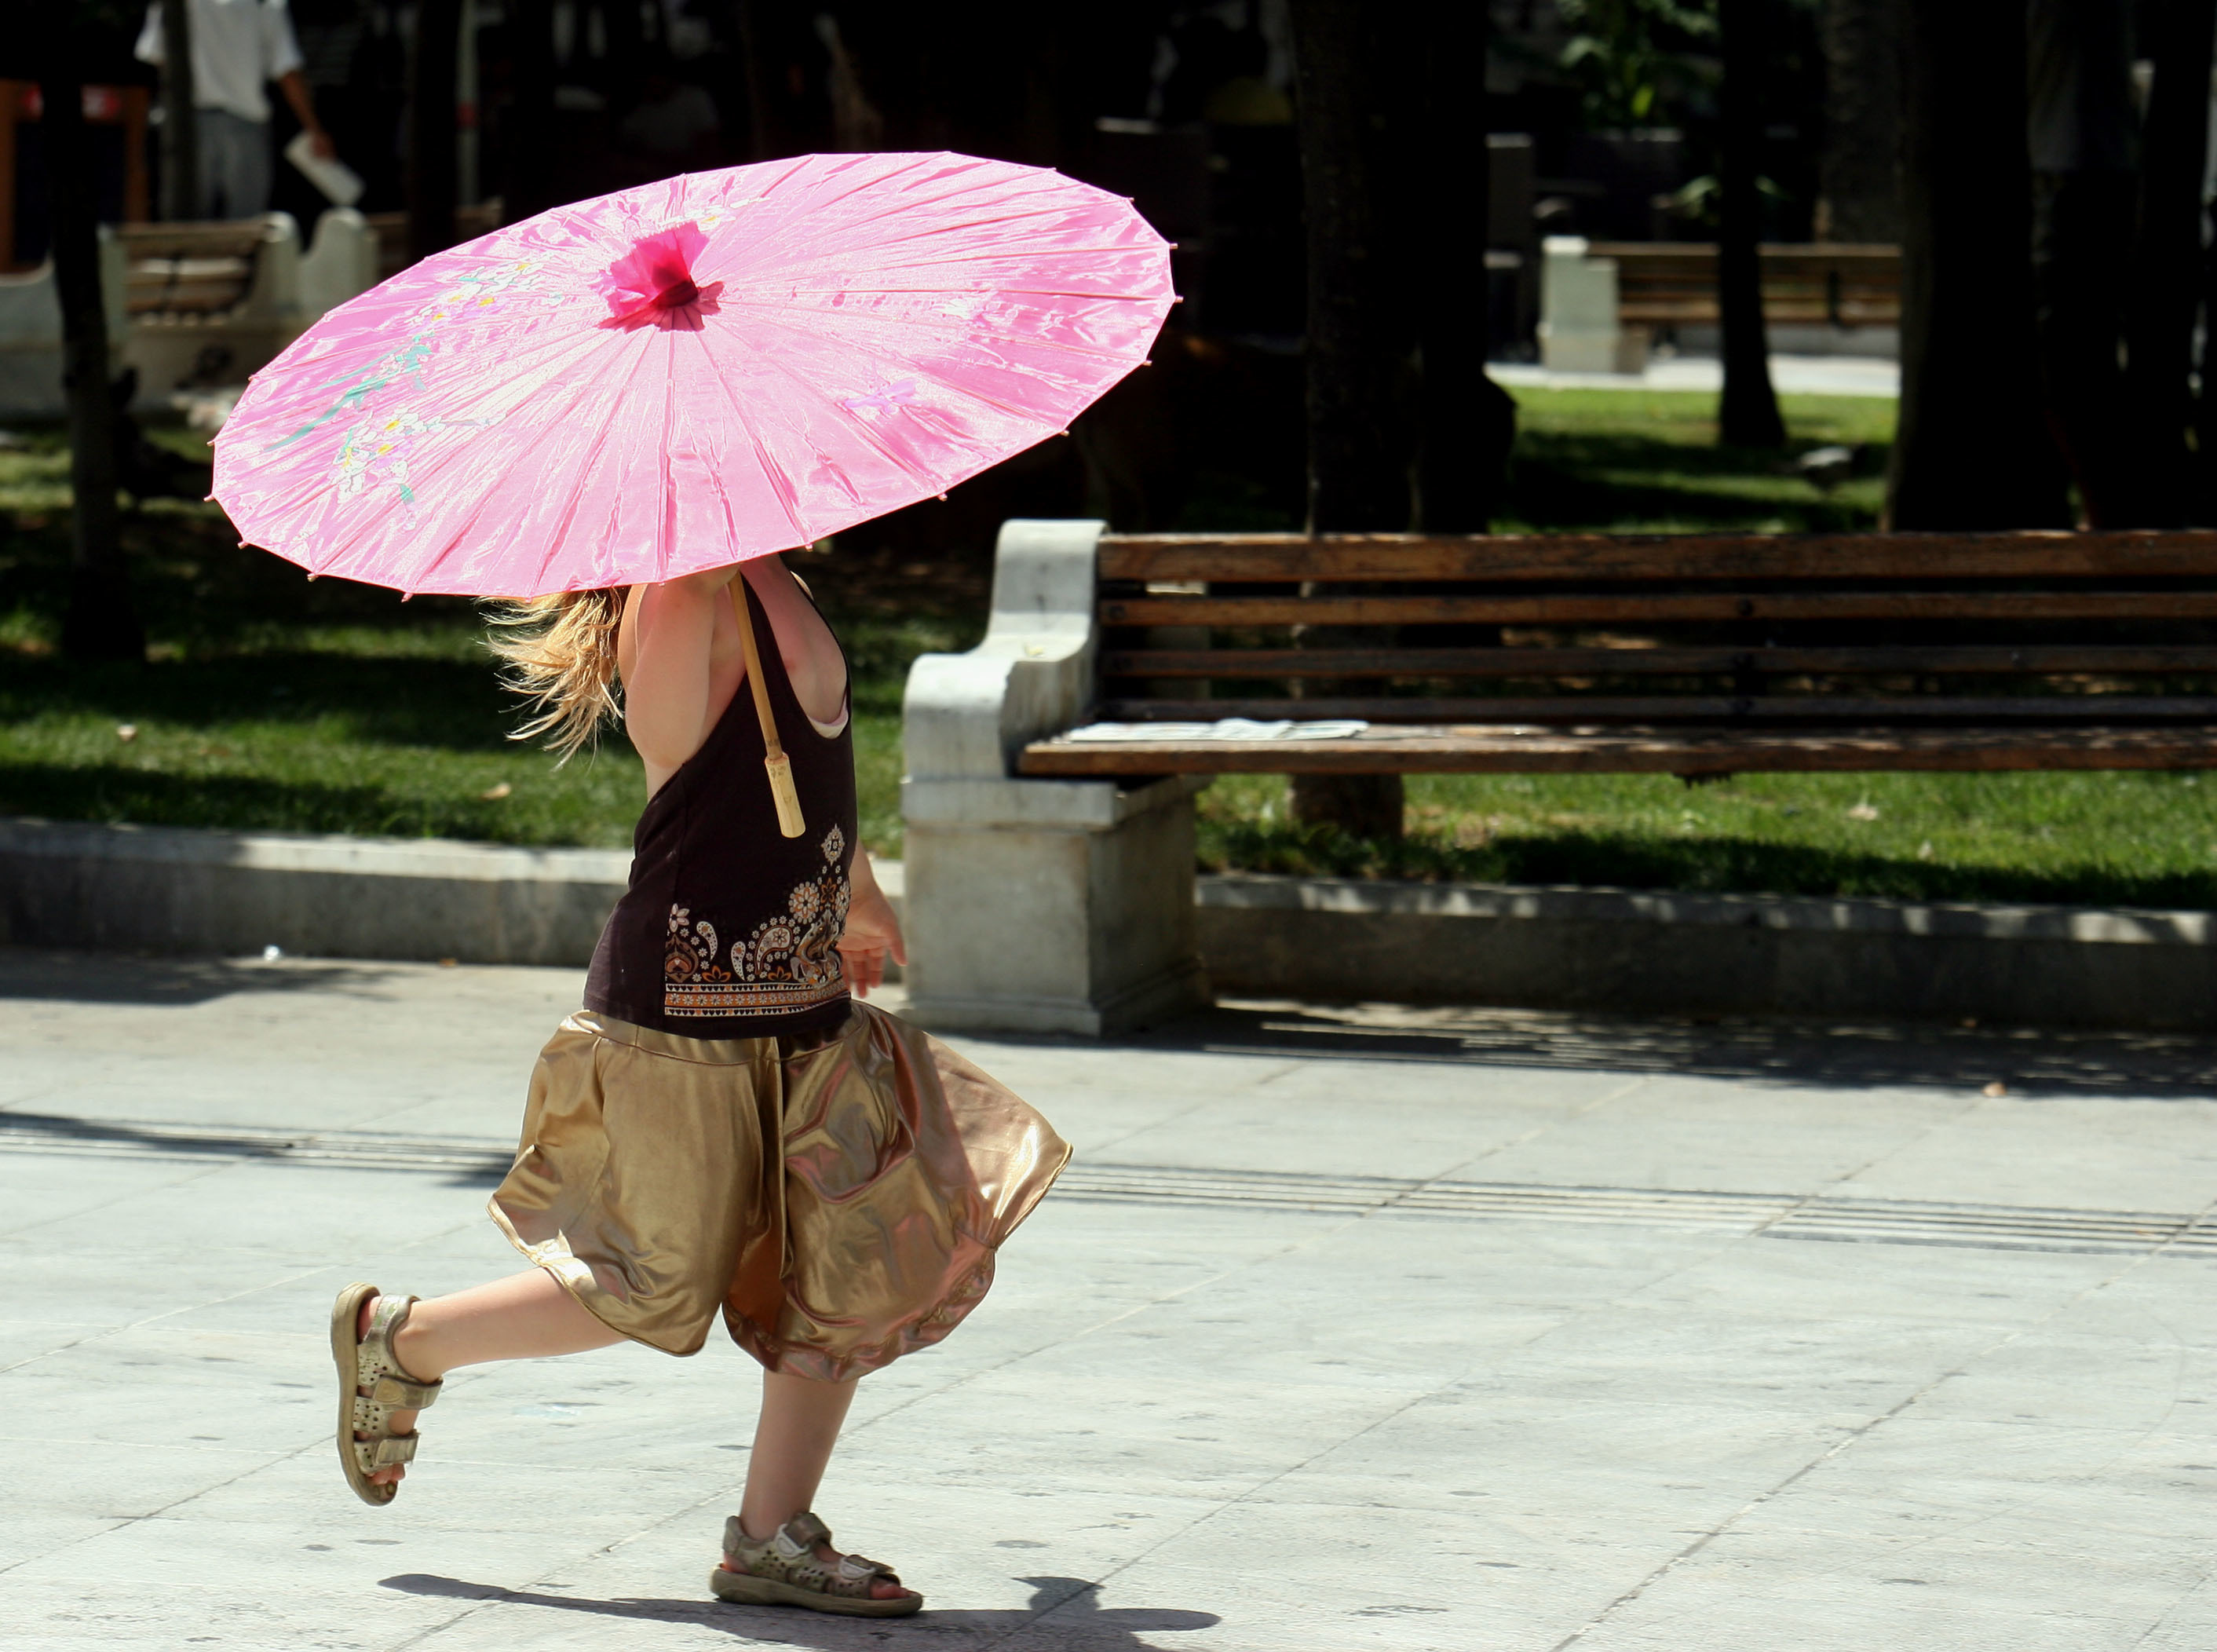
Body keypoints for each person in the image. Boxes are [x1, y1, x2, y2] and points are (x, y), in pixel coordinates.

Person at [329, 556, 1069, 1618]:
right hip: (685, 1006)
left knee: (846, 1260)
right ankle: (402, 1341)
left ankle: (768, 1537)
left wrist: (857, 889)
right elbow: (685, 766)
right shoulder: (678, 596)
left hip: (802, 991)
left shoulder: (782, 581)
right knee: (650, 1283)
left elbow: (815, 767)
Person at [136, 0, 336, 218]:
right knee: (246, 224)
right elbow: (287, 71)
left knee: (187, 223)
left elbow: (159, 57)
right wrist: (313, 129)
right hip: (244, 124)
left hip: (190, 124)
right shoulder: (266, 4)